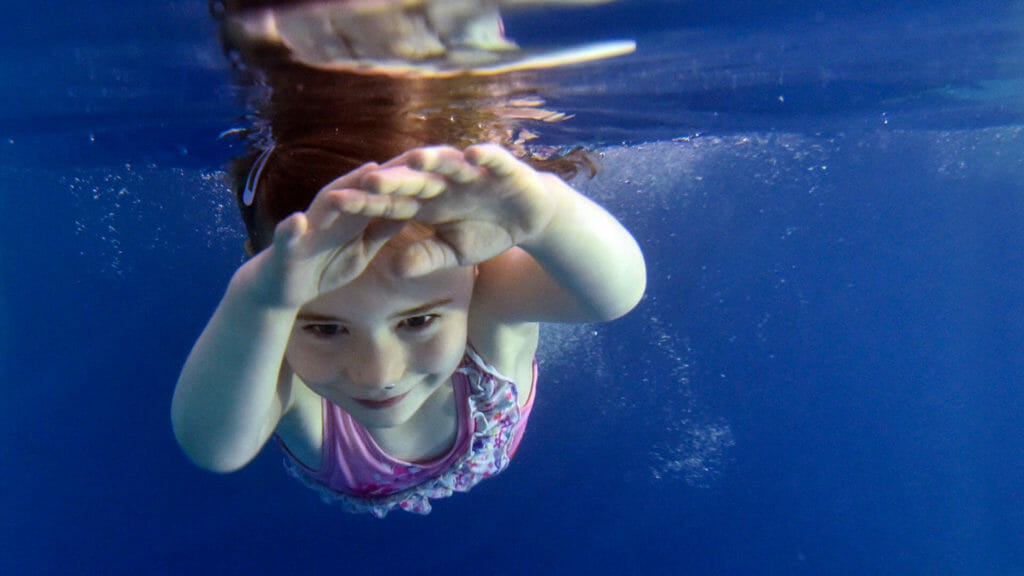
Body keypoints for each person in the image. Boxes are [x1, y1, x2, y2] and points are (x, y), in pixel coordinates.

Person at [172, 142, 646, 517]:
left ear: (474, 268)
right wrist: (257, 299)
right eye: (324, 329)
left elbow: (609, 298)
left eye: (417, 321)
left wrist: (546, 217)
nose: (377, 374)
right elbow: (217, 449)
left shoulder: (489, 301)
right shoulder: (284, 370)